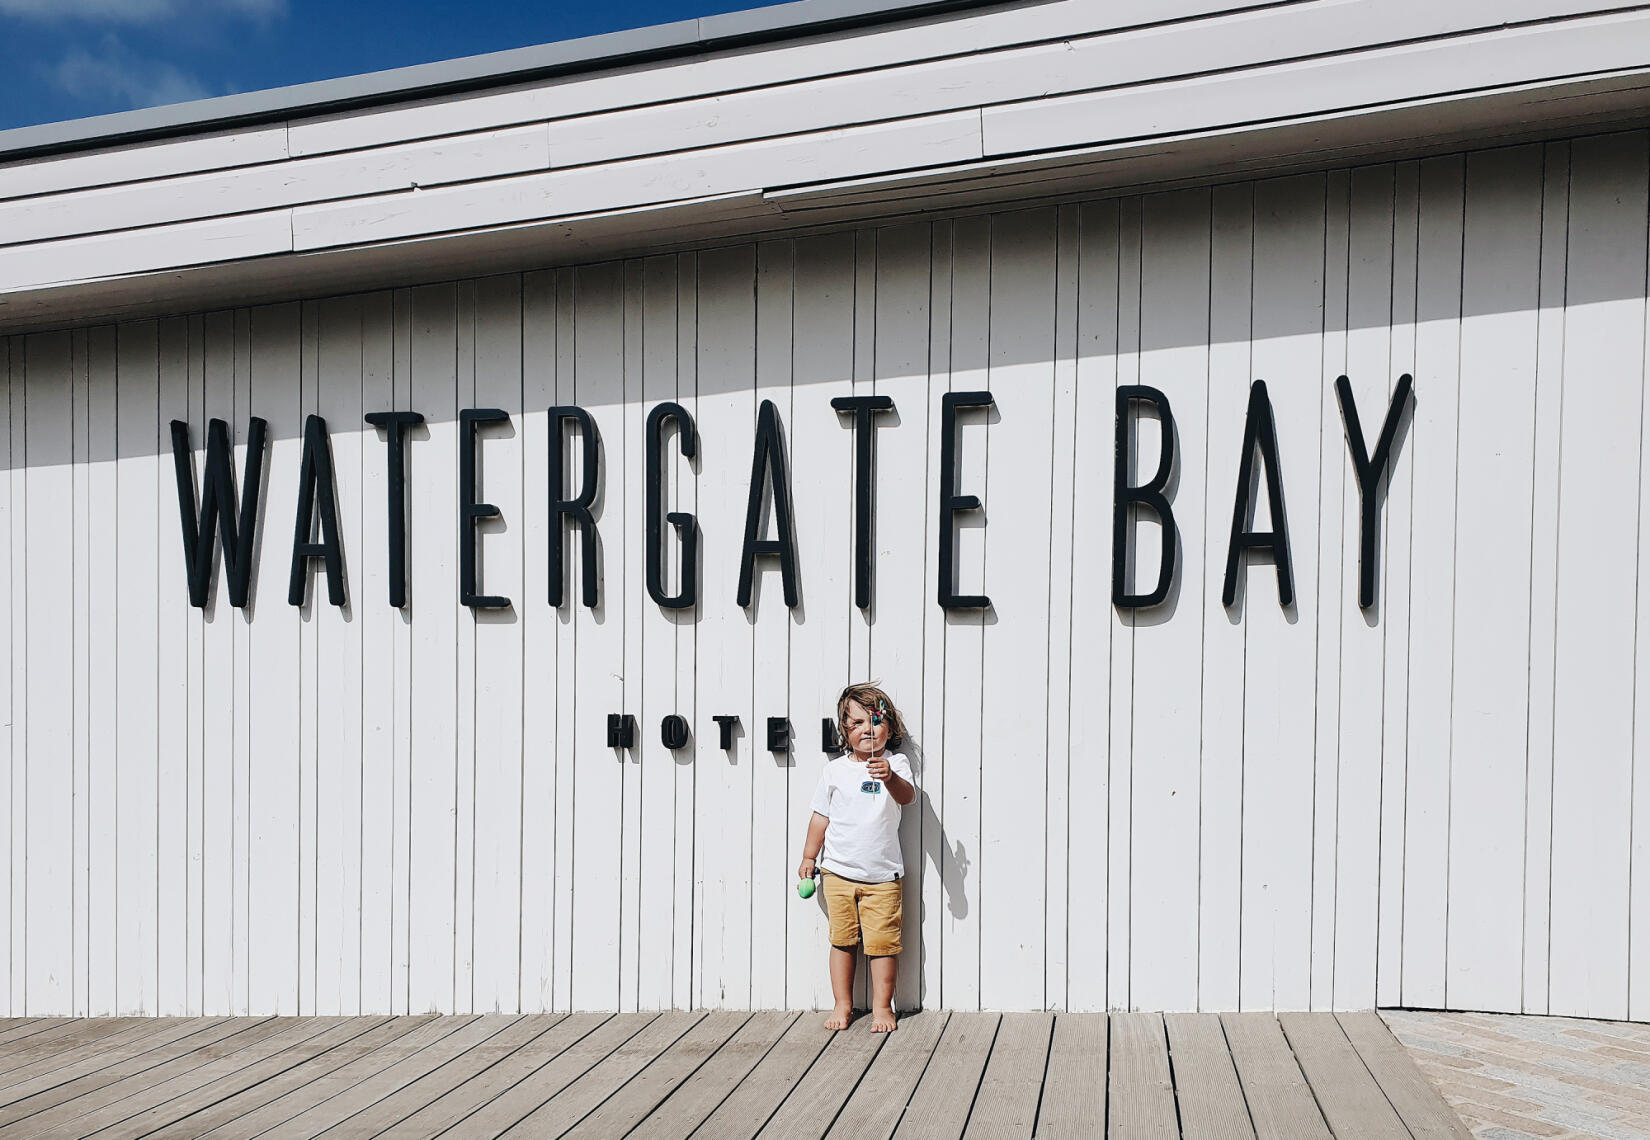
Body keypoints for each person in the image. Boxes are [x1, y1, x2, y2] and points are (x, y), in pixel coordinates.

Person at [797, 683, 916, 1032]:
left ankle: (882, 1007)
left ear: (889, 728)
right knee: (843, 941)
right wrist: (808, 856)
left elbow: (906, 797)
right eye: (857, 723)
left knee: (883, 946)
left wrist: (889, 776)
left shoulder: (895, 764)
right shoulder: (834, 771)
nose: (868, 730)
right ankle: (843, 1004)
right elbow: (821, 817)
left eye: (875, 722)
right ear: (844, 732)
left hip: (883, 877)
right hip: (837, 872)